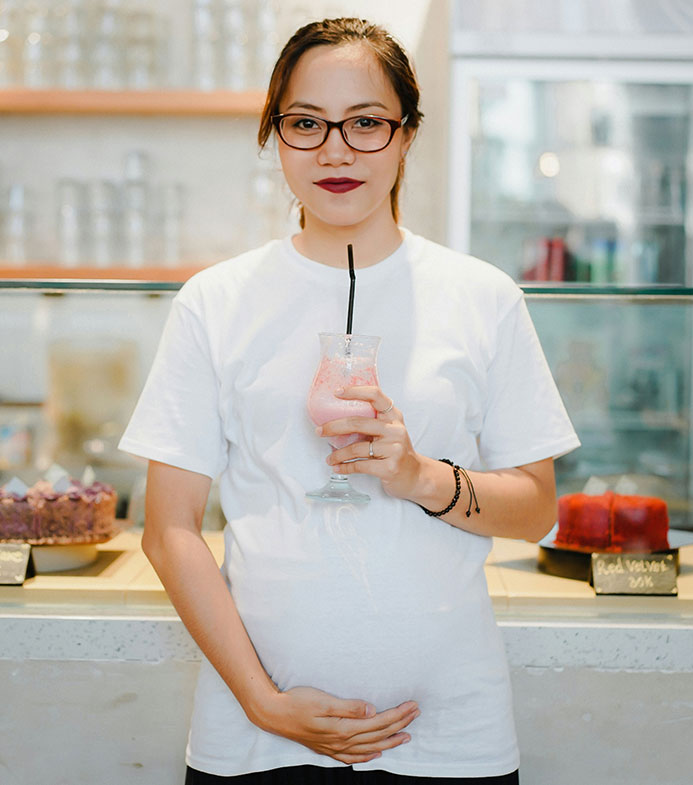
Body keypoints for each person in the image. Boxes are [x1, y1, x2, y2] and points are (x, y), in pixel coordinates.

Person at [119, 17, 580, 785]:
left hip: (449, 734)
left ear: (407, 135)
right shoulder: (215, 301)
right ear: (275, 137)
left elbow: (535, 508)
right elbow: (169, 531)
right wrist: (263, 703)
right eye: (306, 124)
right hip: (258, 738)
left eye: (366, 123)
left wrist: (417, 476)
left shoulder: (483, 297)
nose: (336, 150)